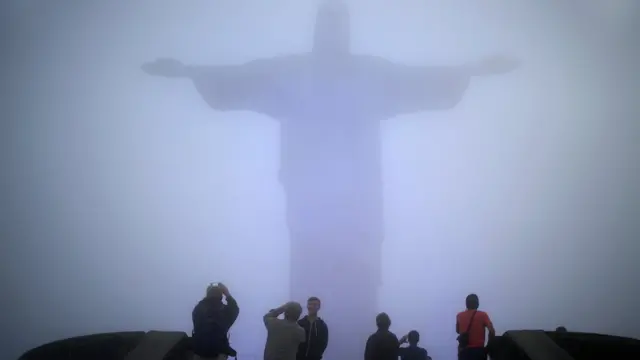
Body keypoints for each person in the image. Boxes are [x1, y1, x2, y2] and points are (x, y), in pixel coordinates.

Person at [192, 283, 240, 360]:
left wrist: (209, 292)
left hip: (199, 352)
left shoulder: (199, 309)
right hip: (219, 354)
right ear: (221, 295)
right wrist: (227, 294)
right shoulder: (224, 311)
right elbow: (234, 308)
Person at [456, 294, 495, 360]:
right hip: (478, 352)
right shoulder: (483, 315)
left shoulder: (459, 315)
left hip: (463, 352)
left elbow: (457, 331)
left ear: (466, 304)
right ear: (477, 304)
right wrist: (489, 346)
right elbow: (491, 331)